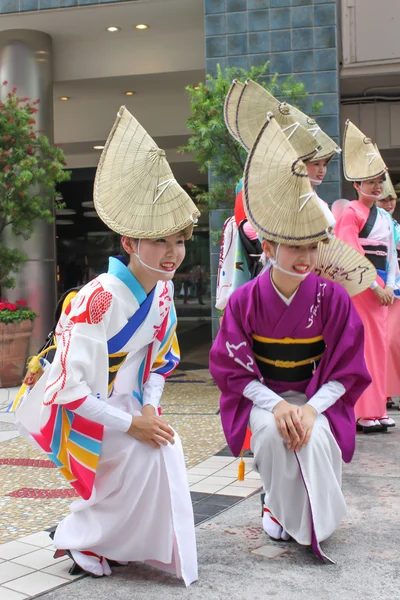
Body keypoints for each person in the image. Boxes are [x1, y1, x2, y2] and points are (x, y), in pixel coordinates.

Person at [14, 107, 199, 584]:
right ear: (129, 242)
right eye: (160, 240)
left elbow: (161, 359)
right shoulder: (97, 298)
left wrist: (150, 411)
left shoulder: (162, 289)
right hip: (80, 409)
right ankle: (79, 537)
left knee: (164, 449)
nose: (173, 252)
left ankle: (119, 543)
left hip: (127, 404)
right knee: (143, 453)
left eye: (179, 240)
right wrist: (130, 424)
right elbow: (71, 390)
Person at [209, 114, 372, 564]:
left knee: (314, 438)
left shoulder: (333, 299)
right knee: (275, 437)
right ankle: (275, 504)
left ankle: (313, 514)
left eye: (312, 246)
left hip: (316, 396)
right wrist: (278, 406)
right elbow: (232, 373)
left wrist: (307, 408)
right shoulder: (244, 302)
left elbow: (347, 371)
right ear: (267, 248)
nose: (306, 258)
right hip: (264, 399)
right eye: (294, 247)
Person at [335, 121, 397, 432]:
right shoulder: (351, 213)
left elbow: (392, 254)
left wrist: (392, 286)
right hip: (363, 288)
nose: (375, 186)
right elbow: (350, 252)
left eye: (379, 180)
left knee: (380, 348)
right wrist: (373, 285)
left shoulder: (384, 215)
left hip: (384, 289)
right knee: (367, 348)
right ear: (356, 184)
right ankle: (364, 412)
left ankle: (378, 405)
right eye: (369, 181)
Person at [376, 175, 400, 406]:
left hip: (396, 288)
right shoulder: (374, 224)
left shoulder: (395, 226)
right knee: (386, 341)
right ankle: (384, 392)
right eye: (384, 199)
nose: (389, 203)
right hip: (377, 288)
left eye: (391, 198)